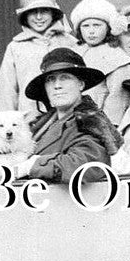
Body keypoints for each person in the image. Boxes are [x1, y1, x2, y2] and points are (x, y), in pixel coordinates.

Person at [13, 47, 121, 183]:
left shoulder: (90, 121)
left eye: (65, 78)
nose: (57, 85)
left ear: (81, 84)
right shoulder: (43, 124)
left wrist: (33, 165)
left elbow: (86, 166)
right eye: (50, 79)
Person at [0, 0, 77, 114]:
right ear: (25, 16)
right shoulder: (16, 47)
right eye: (33, 12)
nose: (39, 17)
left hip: (68, 117)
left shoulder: (69, 42)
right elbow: (7, 92)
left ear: (53, 13)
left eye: (44, 11)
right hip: (31, 120)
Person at [69, 0, 130, 125]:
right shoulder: (76, 52)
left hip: (99, 124)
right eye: (86, 26)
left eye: (97, 25)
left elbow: (118, 101)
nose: (91, 31)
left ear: (108, 28)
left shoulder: (116, 58)